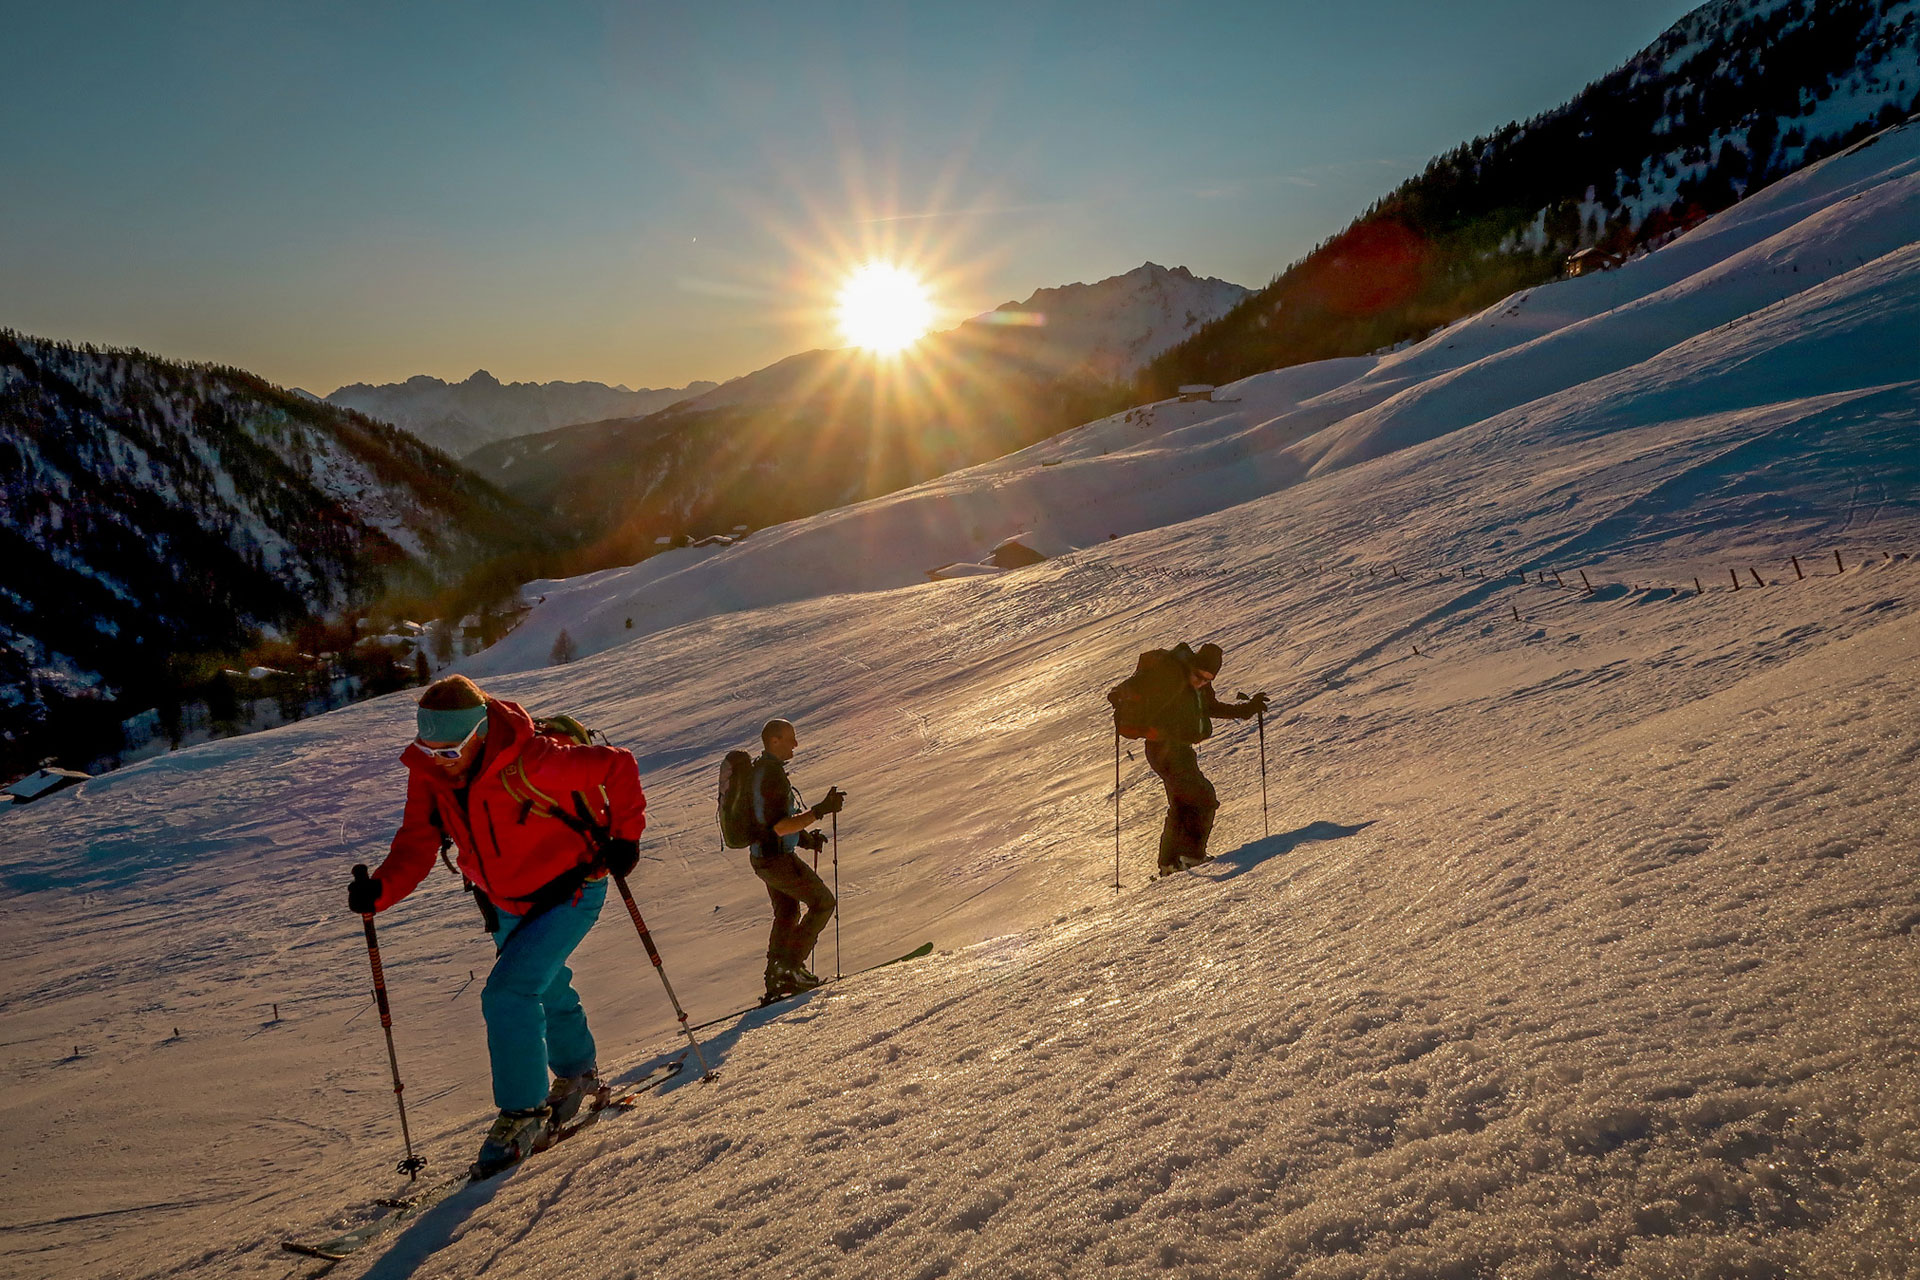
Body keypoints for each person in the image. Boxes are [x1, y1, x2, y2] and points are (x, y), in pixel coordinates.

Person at [346, 674, 646, 1175]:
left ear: (481, 732)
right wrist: (381, 890)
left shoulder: (536, 760)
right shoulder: (431, 772)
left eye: (449, 750)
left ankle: (523, 1113)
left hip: (571, 889)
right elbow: (417, 839)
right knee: (545, 987)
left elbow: (618, 767)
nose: (439, 761)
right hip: (505, 899)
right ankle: (578, 1074)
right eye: (428, 749)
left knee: (509, 993)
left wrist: (626, 837)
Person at [1146, 642, 1268, 875]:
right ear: (1192, 666)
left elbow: (1210, 707)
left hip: (1178, 751)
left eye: (1207, 679)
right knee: (1204, 799)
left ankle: (1169, 863)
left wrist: (1247, 709)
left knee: (1182, 805)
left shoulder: (1200, 687)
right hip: (1165, 751)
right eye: (1199, 676)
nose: (1201, 682)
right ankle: (1192, 856)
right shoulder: (1171, 683)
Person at [749, 718, 844, 999]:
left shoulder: (763, 771)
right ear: (774, 741)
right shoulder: (771, 775)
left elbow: (768, 822)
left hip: (764, 857)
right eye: (790, 738)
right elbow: (779, 826)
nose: (796, 744)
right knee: (823, 902)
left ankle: (776, 978)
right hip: (776, 859)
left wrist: (806, 839)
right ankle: (789, 968)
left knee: (788, 912)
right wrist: (820, 810)